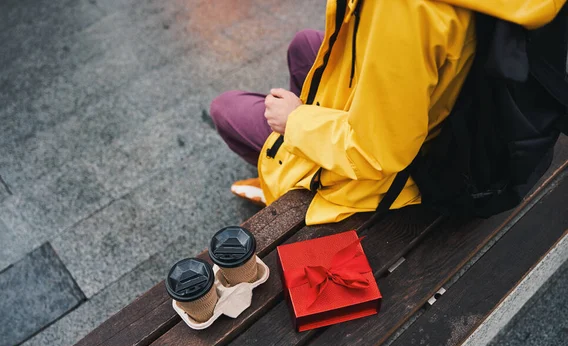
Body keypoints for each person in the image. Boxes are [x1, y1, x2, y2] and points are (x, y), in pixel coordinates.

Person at [210, 0, 565, 225]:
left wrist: (295, 122)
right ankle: (288, 160)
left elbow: (378, 153)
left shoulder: (404, 9)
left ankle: (290, 181)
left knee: (225, 110)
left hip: (399, 171)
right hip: (450, 111)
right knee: (304, 44)